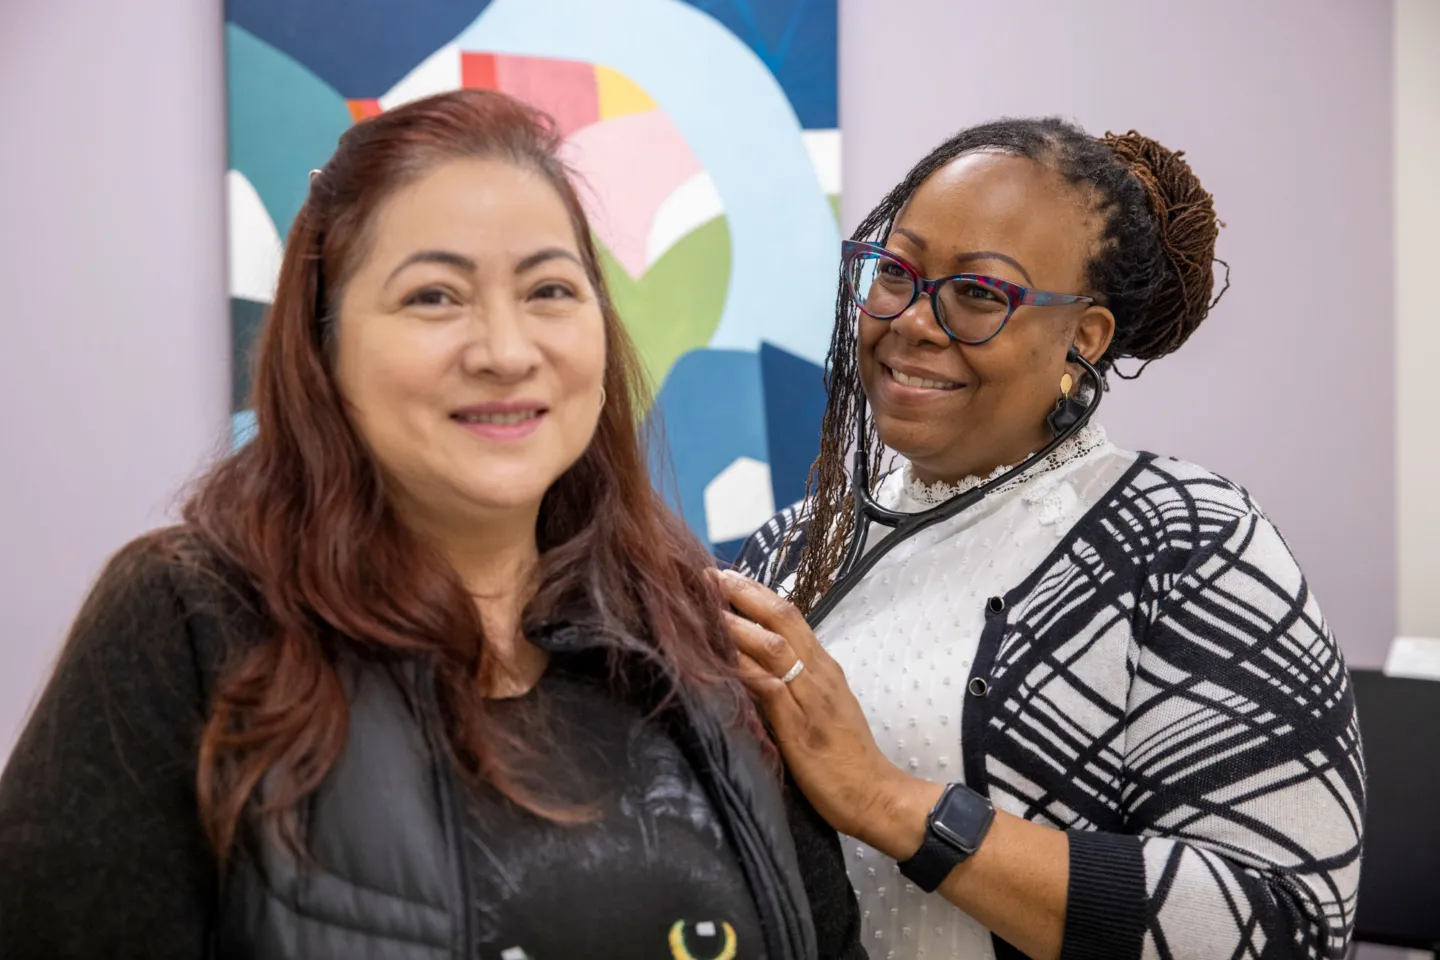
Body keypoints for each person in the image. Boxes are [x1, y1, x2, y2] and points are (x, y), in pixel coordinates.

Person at [0, 90, 864, 960]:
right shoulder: (191, 620)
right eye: (434, 297)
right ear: (324, 344)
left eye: (550, 290)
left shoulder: (698, 643)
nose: (504, 349)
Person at [714, 118, 1364, 960]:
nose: (913, 321)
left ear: (1082, 340)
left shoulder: (1185, 544)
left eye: (979, 294)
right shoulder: (791, 550)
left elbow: (1288, 926)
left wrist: (887, 801)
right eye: (896, 273)